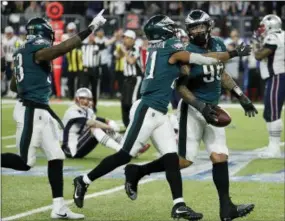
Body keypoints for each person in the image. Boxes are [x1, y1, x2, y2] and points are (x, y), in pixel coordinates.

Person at [72, 14, 251, 220]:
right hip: (147, 109)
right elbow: (202, 59)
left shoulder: (161, 47)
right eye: (170, 27)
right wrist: (235, 52)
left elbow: (186, 66)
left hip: (161, 111)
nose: (175, 30)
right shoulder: (169, 47)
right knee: (124, 155)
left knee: (171, 159)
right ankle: (84, 180)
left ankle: (179, 205)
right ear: (163, 31)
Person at [124, 10, 257, 221]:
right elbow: (181, 88)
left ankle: (226, 209)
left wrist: (241, 96)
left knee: (219, 156)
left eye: (200, 26)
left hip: (213, 108)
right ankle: (138, 171)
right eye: (193, 28)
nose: (197, 31)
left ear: (209, 26)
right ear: (188, 30)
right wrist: (200, 105)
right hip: (193, 109)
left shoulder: (219, 45)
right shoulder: (185, 51)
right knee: (184, 161)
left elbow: (220, 73)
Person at [1, 10, 106, 219]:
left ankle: (59, 207)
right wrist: (91, 28)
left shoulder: (22, 51)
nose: (51, 41)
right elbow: (63, 48)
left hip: (39, 109)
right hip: (31, 111)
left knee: (56, 157)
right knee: (25, 162)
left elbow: (14, 84)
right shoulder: (36, 50)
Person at [253, 14, 285, 158]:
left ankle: (274, 147)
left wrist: (255, 42)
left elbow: (259, 56)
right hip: (277, 76)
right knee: (269, 111)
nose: (261, 29)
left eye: (263, 26)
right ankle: (273, 144)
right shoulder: (282, 35)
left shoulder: (273, 38)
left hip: (277, 76)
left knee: (273, 111)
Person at [116, 30, 143, 127]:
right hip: (127, 79)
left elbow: (131, 61)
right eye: (124, 38)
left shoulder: (136, 48)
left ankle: (134, 125)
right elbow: (117, 56)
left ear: (132, 39)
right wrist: (121, 46)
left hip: (136, 79)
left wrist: (124, 51)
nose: (125, 40)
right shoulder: (125, 48)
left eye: (127, 38)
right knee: (124, 102)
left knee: (133, 102)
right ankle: (127, 124)